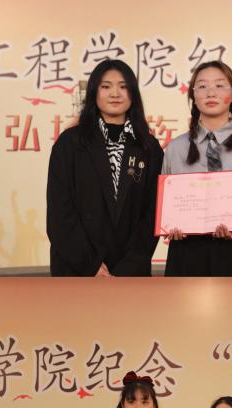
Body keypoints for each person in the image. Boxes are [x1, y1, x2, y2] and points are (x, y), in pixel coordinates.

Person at [46, 59, 163, 276]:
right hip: (78, 270)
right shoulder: (70, 143)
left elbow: (152, 214)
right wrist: (92, 266)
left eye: (123, 86)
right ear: (94, 92)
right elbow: (60, 213)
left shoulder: (148, 147)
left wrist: (128, 268)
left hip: (130, 273)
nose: (115, 94)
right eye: (106, 86)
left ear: (133, 93)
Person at [162, 60, 232, 275]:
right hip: (186, 252)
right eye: (202, 86)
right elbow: (165, 204)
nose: (211, 92)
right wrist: (169, 224)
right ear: (193, 96)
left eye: (220, 85)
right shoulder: (175, 148)